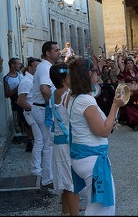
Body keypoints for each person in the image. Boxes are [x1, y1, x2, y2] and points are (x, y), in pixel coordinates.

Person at [68, 58, 125, 215]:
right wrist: (115, 105)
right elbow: (103, 131)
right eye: (95, 71)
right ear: (88, 74)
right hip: (92, 159)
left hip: (84, 156)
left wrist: (110, 119)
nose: (98, 73)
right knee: (103, 208)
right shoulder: (85, 101)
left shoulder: (75, 98)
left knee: (98, 205)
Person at [49, 63, 81, 216]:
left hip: (58, 142)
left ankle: (66, 211)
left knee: (65, 181)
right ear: (63, 78)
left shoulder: (54, 93)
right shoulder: (67, 95)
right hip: (68, 144)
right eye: (69, 75)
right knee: (71, 183)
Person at [31, 41, 61, 188]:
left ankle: (49, 176)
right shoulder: (44, 67)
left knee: (48, 143)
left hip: (43, 108)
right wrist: (54, 106)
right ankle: (47, 179)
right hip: (43, 109)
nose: (59, 52)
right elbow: (44, 89)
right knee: (48, 144)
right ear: (48, 53)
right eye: (56, 50)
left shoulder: (48, 66)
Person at [17, 57, 42, 155]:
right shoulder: (26, 81)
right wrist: (34, 110)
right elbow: (20, 101)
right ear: (30, 68)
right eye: (36, 67)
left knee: (41, 141)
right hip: (32, 113)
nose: (38, 69)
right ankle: (35, 168)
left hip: (36, 112)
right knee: (39, 141)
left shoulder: (35, 79)